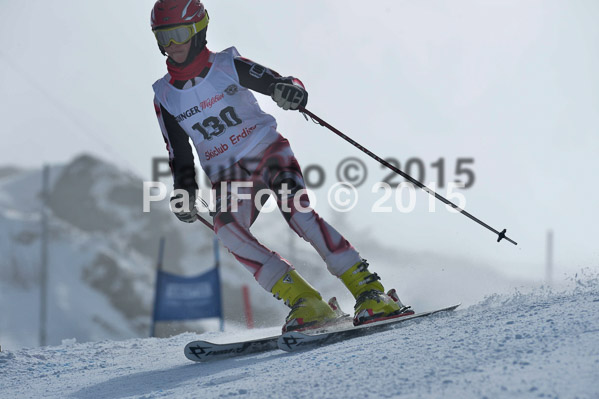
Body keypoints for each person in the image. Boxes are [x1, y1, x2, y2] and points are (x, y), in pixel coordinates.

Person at [150, 0, 413, 332]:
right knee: (227, 229)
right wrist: (185, 191)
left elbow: (279, 81)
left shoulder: (227, 65)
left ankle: (369, 290)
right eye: (164, 37)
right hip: (229, 177)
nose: (173, 46)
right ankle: (306, 300)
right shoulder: (164, 96)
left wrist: (292, 91)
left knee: (298, 213)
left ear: (199, 30)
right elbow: (179, 153)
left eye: (179, 34)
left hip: (268, 152)